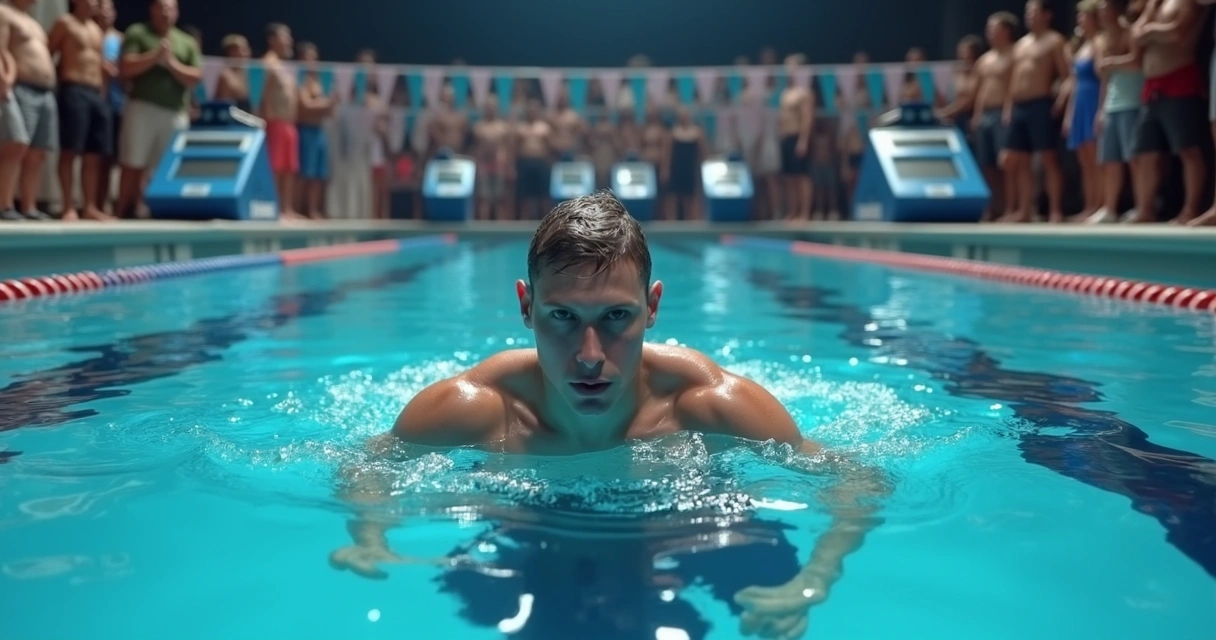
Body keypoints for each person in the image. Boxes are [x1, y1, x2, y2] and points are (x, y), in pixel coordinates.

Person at [330, 191, 889, 636]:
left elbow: (857, 477)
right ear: (526, 307)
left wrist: (816, 578)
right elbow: (368, 465)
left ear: (652, 308)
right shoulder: (474, 409)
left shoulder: (710, 405)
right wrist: (371, 534)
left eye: (617, 316)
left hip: (686, 528)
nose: (590, 355)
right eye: (563, 316)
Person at [115, 0, 199, 220]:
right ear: (152, 9)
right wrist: (155, 55)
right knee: (133, 161)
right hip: (142, 107)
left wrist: (171, 62)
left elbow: (195, 77)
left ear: (177, 12)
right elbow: (125, 68)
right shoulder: (138, 32)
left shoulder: (186, 41)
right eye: (161, 7)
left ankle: (160, 212)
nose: (166, 12)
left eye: (170, 8)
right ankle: (122, 211)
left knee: (167, 166)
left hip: (175, 112)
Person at [1129, 0, 1210, 224]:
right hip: (1152, 88)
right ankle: (1145, 210)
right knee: (1145, 153)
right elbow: (1134, 35)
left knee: (1188, 150)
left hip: (1180, 81)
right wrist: (1153, 23)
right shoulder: (1154, 4)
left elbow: (1177, 33)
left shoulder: (1186, 2)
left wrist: (1151, 31)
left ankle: (1190, 209)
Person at [1000, 0, 1070, 223]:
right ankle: (1024, 210)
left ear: (1047, 14)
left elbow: (1067, 75)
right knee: (1020, 160)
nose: (1029, 16)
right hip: (1019, 106)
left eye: (1034, 11)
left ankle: (1055, 209)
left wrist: (1060, 99)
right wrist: (1008, 108)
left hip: (1041, 103)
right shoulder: (1020, 45)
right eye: (1027, 12)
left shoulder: (1055, 41)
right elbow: (1014, 79)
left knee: (1048, 158)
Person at [48, 0, 114, 222]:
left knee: (94, 154)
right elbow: (48, 53)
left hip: (96, 93)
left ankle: (90, 206)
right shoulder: (65, 23)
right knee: (70, 150)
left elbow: (99, 64)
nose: (95, 3)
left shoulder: (97, 30)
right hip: (73, 89)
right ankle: (68, 206)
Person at [0, 0, 58, 221]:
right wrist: (4, 83)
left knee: (37, 152)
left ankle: (29, 206)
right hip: (19, 87)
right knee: (15, 145)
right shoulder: (4, 12)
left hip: (45, 92)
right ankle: (4, 205)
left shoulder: (33, 22)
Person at [1091, 0, 1145, 223]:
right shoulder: (1102, 39)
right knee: (1110, 160)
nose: (1102, 13)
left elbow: (1137, 63)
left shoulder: (1130, 31)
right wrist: (1100, 110)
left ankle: (1142, 207)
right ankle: (1109, 209)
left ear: (1116, 9)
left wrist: (1112, 61)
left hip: (1132, 102)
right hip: (1112, 105)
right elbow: (1104, 77)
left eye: (1106, 8)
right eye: (1101, 10)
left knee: (1135, 159)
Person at [972, 12, 1018, 220]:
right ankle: (993, 207)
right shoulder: (984, 61)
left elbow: (1013, 87)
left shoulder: (1014, 54)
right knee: (987, 165)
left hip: (1003, 112)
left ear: (1006, 30)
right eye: (988, 29)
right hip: (986, 115)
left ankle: (1011, 207)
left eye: (994, 28)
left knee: (1007, 164)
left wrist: (1008, 110)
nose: (989, 33)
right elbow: (980, 91)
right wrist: (977, 115)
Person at [1066, 0, 1104, 220]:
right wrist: (1069, 116)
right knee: (1084, 161)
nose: (1080, 20)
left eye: (1084, 16)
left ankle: (1099, 206)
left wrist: (1100, 109)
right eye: (1078, 16)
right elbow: (1072, 84)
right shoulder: (1081, 46)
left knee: (1095, 157)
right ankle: (1089, 205)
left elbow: (1103, 78)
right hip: (1079, 101)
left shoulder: (1099, 42)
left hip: (1093, 99)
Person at [259, 22, 299, 219]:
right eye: (285, 36)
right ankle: (273, 207)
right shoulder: (267, 64)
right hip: (274, 121)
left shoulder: (285, 67)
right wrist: (263, 122)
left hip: (289, 122)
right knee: (275, 167)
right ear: (272, 40)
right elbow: (261, 95)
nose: (290, 40)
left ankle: (287, 209)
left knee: (289, 168)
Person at [294, 41, 332, 220]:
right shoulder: (300, 79)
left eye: (315, 57)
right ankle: (297, 208)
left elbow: (327, 110)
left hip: (319, 130)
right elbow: (306, 106)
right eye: (309, 56)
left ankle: (313, 209)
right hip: (306, 130)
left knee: (318, 174)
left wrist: (325, 106)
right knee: (304, 173)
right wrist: (327, 103)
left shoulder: (319, 81)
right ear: (300, 58)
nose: (313, 60)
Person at [777, 54, 813, 221]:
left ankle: (804, 213)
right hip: (785, 138)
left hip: (798, 137)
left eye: (791, 66)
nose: (787, 70)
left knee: (802, 176)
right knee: (789, 178)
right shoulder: (785, 92)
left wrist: (803, 141)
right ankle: (793, 211)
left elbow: (807, 118)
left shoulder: (804, 92)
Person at [96, 0, 122, 213]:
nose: (105, 12)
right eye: (101, 8)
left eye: (109, 8)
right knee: (91, 157)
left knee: (109, 158)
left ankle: (103, 202)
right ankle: (88, 203)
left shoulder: (120, 40)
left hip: (116, 104)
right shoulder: (88, 34)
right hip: (93, 100)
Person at [472, 99, 512, 220]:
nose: (490, 110)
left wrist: (509, 167)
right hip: (484, 165)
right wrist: (477, 165)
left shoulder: (503, 127)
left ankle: (500, 228)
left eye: (492, 107)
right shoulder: (478, 127)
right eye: (488, 107)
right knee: (484, 198)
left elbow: (509, 149)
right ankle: (483, 227)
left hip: (499, 165)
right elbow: (474, 149)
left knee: (500, 198)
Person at [513, 97, 552, 220]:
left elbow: (550, 147)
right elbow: (514, 148)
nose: (532, 112)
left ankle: (546, 220)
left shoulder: (544, 128)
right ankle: (524, 220)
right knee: (524, 195)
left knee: (543, 194)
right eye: (530, 110)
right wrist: (512, 166)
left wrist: (549, 164)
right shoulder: (520, 128)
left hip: (540, 163)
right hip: (525, 163)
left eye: (534, 110)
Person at [664, 106, 705, 221]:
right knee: (673, 196)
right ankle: (672, 220)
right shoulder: (673, 133)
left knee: (689, 196)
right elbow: (667, 154)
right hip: (676, 168)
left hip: (690, 168)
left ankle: (689, 220)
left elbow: (702, 152)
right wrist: (665, 170)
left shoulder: (696, 133)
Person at [213, 34, 251, 112]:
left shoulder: (245, 74)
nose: (247, 53)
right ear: (232, 52)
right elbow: (224, 107)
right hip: (231, 122)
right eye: (243, 49)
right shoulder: (226, 76)